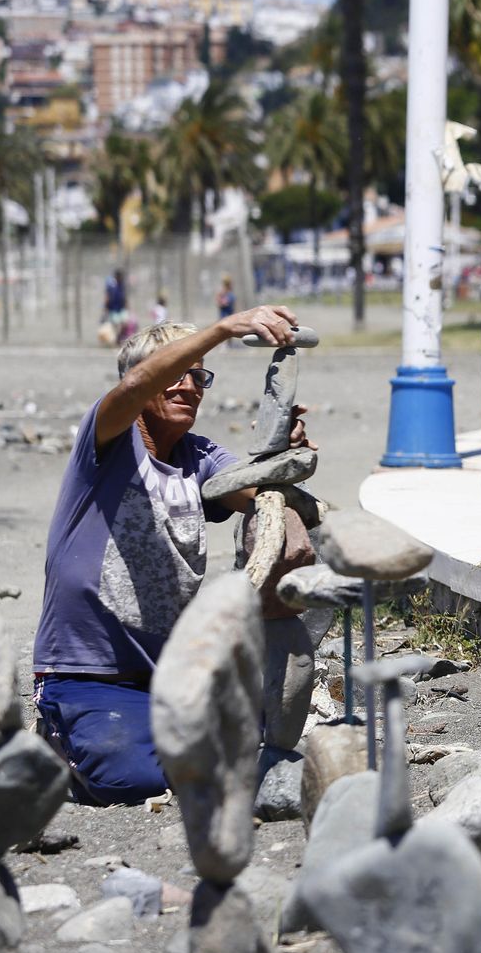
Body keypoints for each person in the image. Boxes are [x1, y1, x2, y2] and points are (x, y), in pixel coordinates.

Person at [31, 307, 313, 805]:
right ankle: (55, 744)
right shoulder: (107, 441)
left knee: (244, 749)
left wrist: (281, 458)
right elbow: (137, 384)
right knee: (130, 779)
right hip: (89, 677)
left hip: (170, 677)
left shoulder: (199, 458)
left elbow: (258, 496)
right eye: (176, 374)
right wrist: (224, 329)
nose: (189, 386)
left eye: (199, 377)